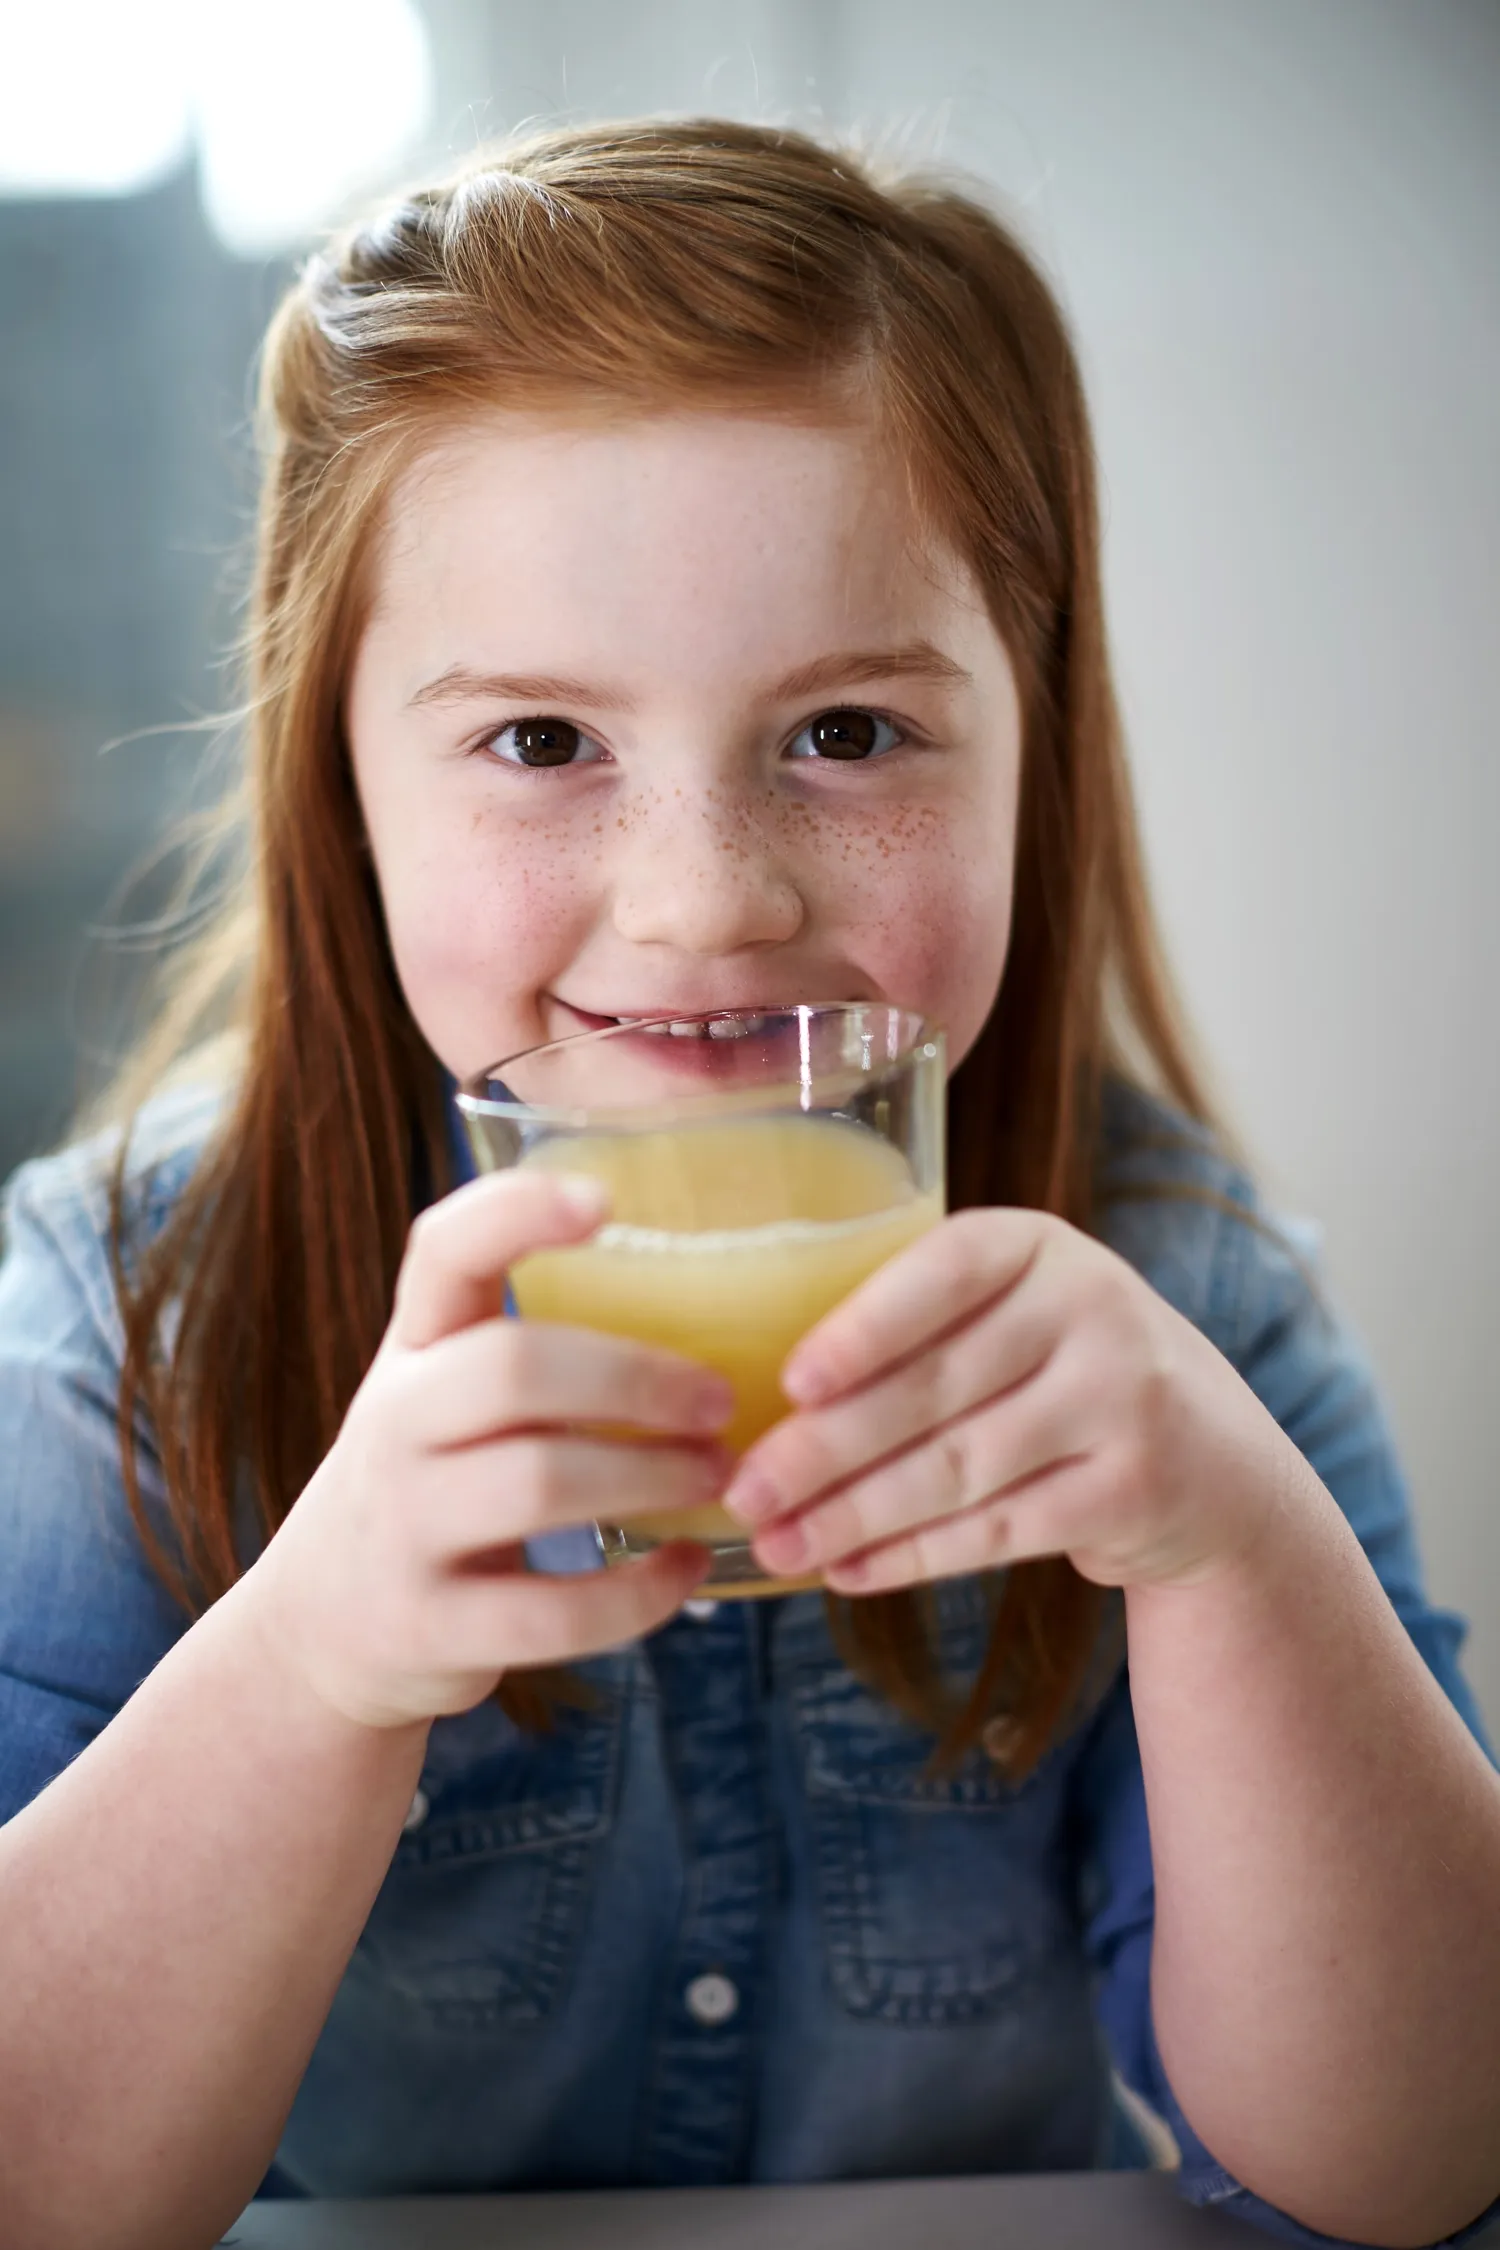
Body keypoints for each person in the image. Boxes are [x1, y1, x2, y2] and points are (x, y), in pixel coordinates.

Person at [0, 118, 1497, 2250]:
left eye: (850, 735)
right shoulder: (129, 1318)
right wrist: (316, 1662)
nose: (704, 905)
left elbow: (1411, 2165)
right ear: (342, 779)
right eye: (541, 744)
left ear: (1030, 749)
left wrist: (1233, 1552)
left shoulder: (1187, 1306)